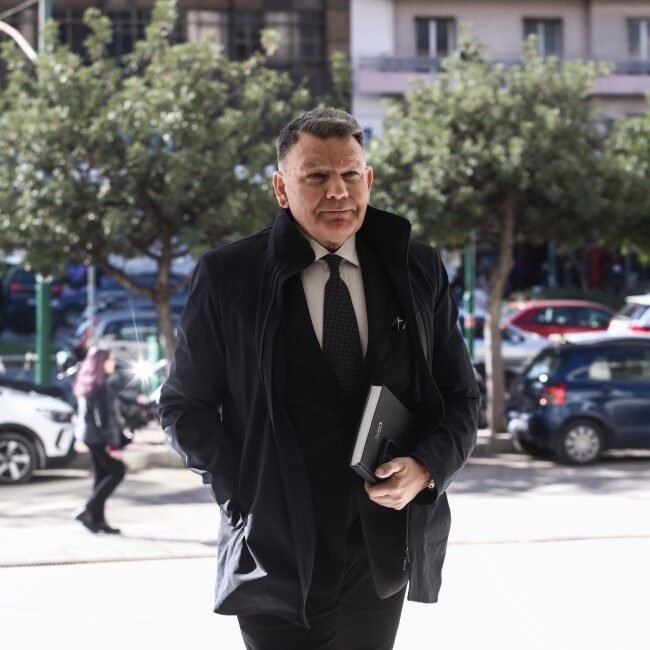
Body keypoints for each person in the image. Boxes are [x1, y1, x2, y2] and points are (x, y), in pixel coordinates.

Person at [158, 107, 479, 649]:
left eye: (350, 173)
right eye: (316, 175)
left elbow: (461, 397)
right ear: (281, 189)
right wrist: (247, 495)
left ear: (368, 179)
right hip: (274, 555)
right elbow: (182, 407)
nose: (338, 191)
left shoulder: (417, 269)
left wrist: (427, 467)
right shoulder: (228, 276)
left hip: (379, 554)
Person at [73, 346, 125, 535]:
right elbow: (103, 418)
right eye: (111, 359)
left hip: (90, 436)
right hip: (100, 438)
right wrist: (112, 445)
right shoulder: (101, 385)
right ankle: (88, 509)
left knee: (101, 476)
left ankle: (97, 520)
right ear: (102, 362)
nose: (114, 363)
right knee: (117, 472)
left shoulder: (88, 382)